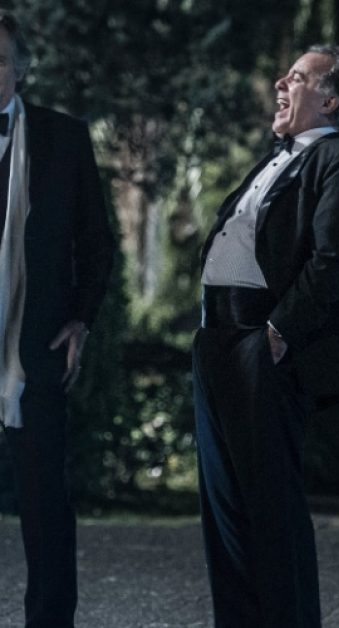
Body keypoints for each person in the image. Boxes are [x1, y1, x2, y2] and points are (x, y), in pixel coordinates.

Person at [193, 44, 339, 627]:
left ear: (330, 100)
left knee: (270, 513)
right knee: (225, 515)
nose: (279, 83)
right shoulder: (275, 157)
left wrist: (277, 333)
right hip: (216, 342)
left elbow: (335, 263)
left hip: (263, 346)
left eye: (296, 77)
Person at [0, 12, 114, 628]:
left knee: (46, 509)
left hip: (34, 348)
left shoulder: (63, 138)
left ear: (19, 70)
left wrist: (81, 319)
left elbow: (96, 243)